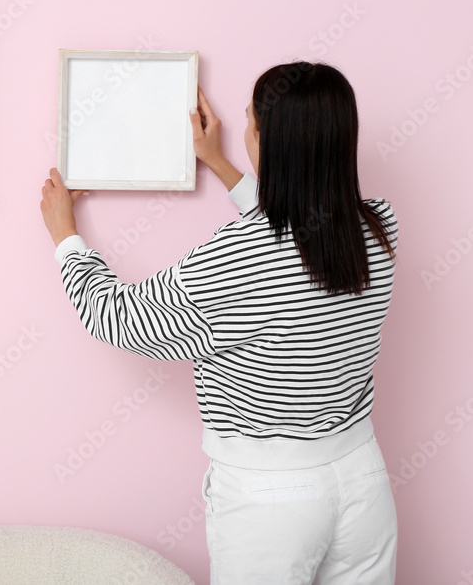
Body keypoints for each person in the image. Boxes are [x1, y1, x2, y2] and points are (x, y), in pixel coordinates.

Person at [39, 61, 399, 584]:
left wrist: (66, 239)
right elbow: (298, 239)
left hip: (271, 499)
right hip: (362, 483)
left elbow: (115, 317)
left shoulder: (238, 258)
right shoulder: (376, 226)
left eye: (251, 122)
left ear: (268, 141)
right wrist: (222, 165)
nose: (246, 130)